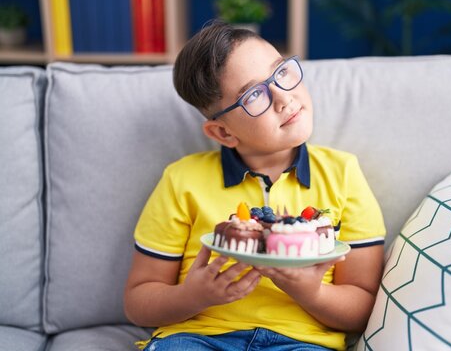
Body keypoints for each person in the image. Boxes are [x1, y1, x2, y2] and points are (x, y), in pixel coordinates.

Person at [124, 20, 386, 351]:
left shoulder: (343, 174)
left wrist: (309, 291)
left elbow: (363, 308)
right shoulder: (181, 180)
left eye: (281, 74)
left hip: (301, 343)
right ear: (223, 133)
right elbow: (138, 302)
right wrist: (193, 296)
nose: (283, 97)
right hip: (198, 338)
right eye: (254, 94)